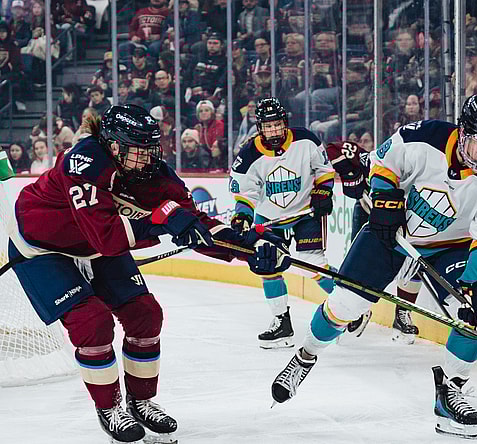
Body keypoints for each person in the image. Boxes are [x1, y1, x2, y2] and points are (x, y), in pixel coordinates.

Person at [7, 104, 287, 443]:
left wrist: (248, 247)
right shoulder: (84, 163)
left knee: (146, 315)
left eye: (149, 150)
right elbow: (108, 238)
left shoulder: (157, 176)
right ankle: (109, 408)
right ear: (112, 146)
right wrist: (160, 219)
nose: (145, 159)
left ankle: (141, 402)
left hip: (94, 248)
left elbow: (195, 225)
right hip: (42, 249)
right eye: (136, 151)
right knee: (92, 321)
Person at [271, 95, 477, 439]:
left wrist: (476, 284)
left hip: (449, 247)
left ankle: (450, 392)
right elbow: (383, 165)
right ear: (463, 134)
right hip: (392, 233)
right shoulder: (424, 137)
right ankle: (305, 356)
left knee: (470, 315)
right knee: (345, 305)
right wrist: (387, 200)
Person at [229, 97, 336, 349]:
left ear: (285, 123)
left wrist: (323, 192)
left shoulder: (306, 140)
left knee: (313, 264)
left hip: (305, 212)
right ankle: (282, 325)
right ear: (259, 128)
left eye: (278, 125)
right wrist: (243, 215)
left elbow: (324, 170)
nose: (274, 131)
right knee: (266, 265)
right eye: (268, 127)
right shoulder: (248, 156)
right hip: (269, 218)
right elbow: (245, 193)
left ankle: (348, 307)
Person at [324, 139, 420, 343]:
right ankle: (356, 310)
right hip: (368, 209)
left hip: (403, 216)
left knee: (413, 261)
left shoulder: (424, 171)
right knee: (359, 263)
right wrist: (351, 175)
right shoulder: (372, 159)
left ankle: (403, 313)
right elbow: (333, 148)